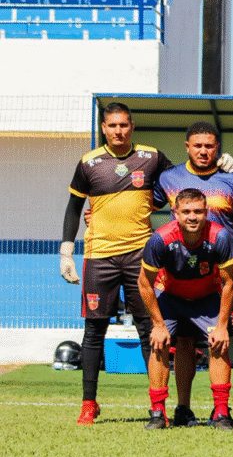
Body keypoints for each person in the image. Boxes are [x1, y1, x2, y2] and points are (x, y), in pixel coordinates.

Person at [60, 102, 174, 425]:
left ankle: (158, 405)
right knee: (94, 330)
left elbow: (177, 182)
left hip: (141, 255)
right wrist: (66, 250)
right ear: (104, 127)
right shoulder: (89, 163)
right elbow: (73, 206)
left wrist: (220, 169)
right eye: (112, 126)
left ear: (132, 126)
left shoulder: (151, 157)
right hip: (99, 256)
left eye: (124, 125)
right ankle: (88, 404)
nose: (118, 131)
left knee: (148, 329)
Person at [152, 121, 233, 426]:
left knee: (219, 340)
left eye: (209, 145)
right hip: (175, 275)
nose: (204, 151)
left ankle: (220, 410)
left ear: (217, 148)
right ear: (187, 147)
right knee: (179, 342)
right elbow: (145, 205)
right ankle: (179, 408)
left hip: (217, 275)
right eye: (198, 145)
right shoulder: (169, 178)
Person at [137, 189, 233, 431]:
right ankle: (158, 411)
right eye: (186, 212)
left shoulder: (221, 237)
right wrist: (159, 325)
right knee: (159, 343)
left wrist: (223, 325)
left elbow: (231, 282)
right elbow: (144, 283)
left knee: (219, 342)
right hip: (170, 297)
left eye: (198, 211)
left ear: (206, 213)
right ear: (175, 214)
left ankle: (221, 412)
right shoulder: (160, 239)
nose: (192, 217)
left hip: (206, 297)